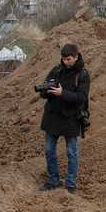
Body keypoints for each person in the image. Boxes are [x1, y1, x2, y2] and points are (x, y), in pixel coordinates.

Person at [38, 44, 90, 194]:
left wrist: (62, 93)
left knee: (71, 152)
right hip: (53, 116)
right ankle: (52, 181)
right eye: (63, 59)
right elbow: (44, 91)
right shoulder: (56, 70)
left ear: (76, 57)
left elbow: (82, 97)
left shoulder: (83, 74)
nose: (66, 62)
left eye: (69, 59)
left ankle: (70, 184)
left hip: (71, 118)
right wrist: (46, 90)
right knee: (49, 150)